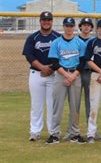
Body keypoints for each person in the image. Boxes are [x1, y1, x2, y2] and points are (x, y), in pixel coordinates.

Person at [46, 17, 86, 144]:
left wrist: (73, 76)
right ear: (63, 27)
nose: (69, 28)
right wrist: (66, 75)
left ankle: (75, 134)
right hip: (60, 75)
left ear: (74, 27)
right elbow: (54, 62)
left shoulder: (80, 43)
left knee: (75, 106)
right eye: (67, 26)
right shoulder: (56, 42)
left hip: (75, 74)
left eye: (71, 26)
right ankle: (54, 134)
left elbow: (83, 62)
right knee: (57, 106)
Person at [22, 11, 61, 141]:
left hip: (54, 74)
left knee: (52, 104)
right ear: (40, 21)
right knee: (36, 104)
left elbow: (62, 55)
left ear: (52, 21)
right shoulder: (32, 37)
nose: (46, 22)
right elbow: (29, 55)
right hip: (36, 74)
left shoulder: (58, 37)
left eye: (49, 20)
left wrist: (50, 68)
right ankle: (34, 131)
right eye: (44, 20)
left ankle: (53, 132)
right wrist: (42, 67)